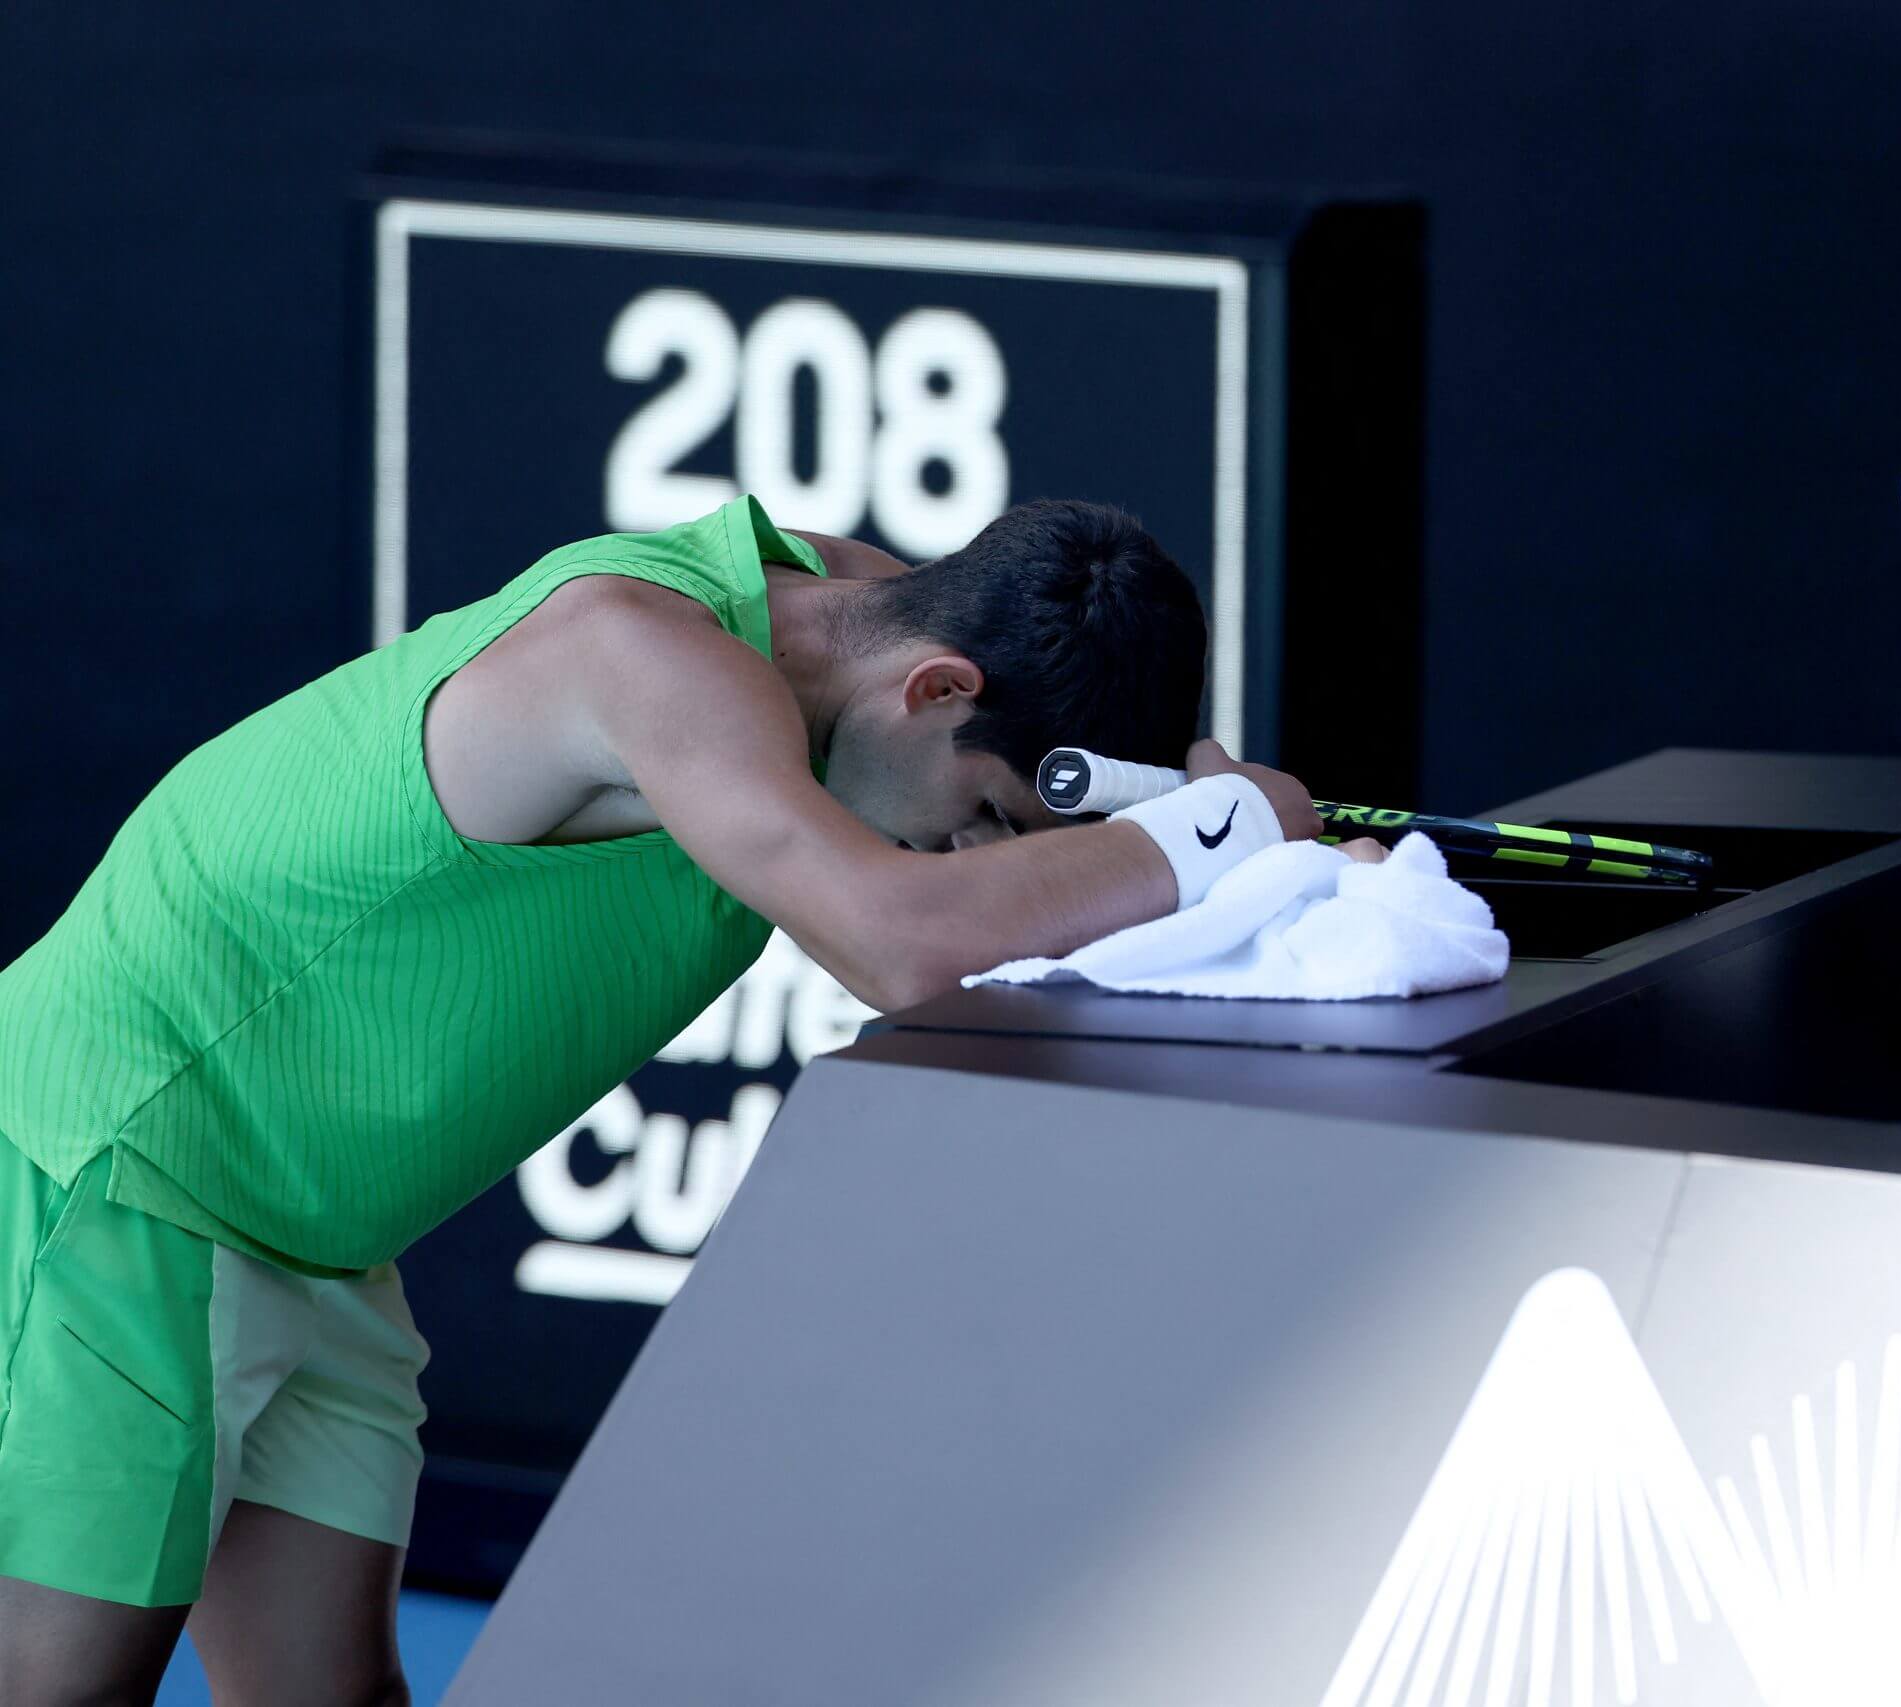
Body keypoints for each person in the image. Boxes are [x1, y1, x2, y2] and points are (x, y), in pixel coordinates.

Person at [0, 493, 1373, 1705]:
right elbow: (905, 941)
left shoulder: (874, 630)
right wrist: (1215, 833)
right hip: (114, 1169)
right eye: (988, 812)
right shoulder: (646, 658)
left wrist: (1231, 847)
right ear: (940, 687)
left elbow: (1038, 891)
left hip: (311, 1217)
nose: (974, 852)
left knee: (334, 1689)